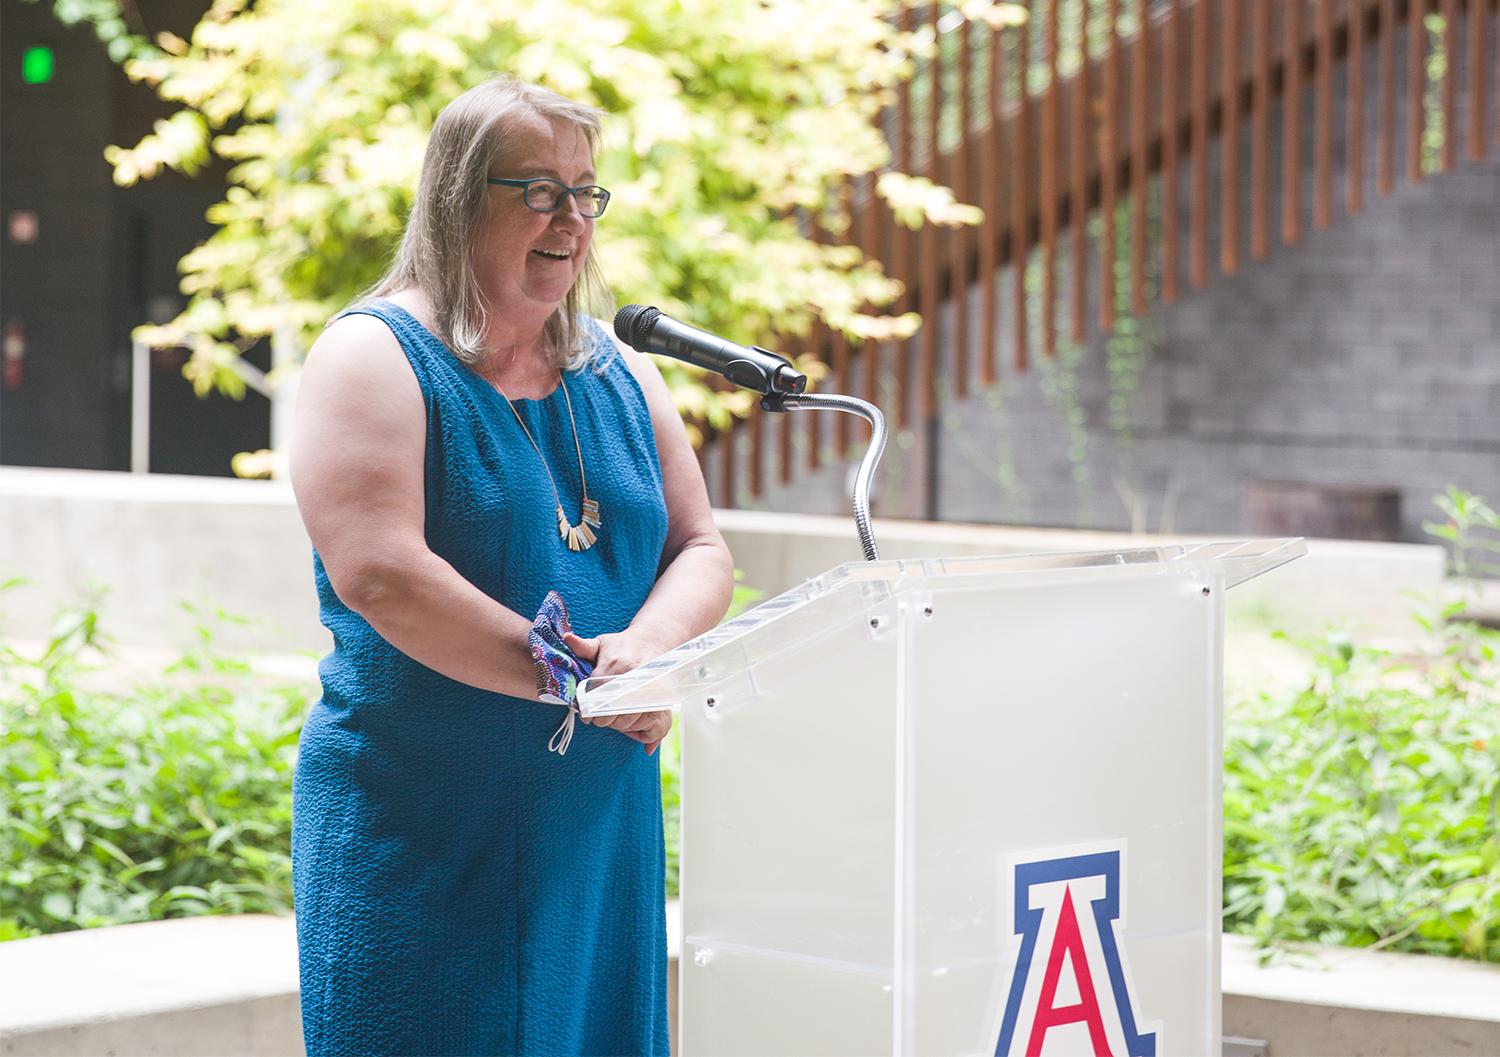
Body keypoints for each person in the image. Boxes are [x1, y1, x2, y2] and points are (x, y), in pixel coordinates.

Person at [288, 75, 734, 1056]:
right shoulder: (375, 357)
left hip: (596, 831)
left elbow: (700, 548)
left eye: (586, 191)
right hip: (427, 832)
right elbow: (382, 575)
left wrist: (647, 653)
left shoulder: (624, 368)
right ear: (456, 198)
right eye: (538, 190)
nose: (573, 217)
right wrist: (579, 683)